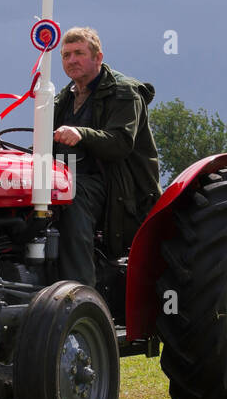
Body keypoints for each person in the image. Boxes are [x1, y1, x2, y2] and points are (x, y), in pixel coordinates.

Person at [51, 27, 161, 287]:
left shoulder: (125, 93)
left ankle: (78, 295)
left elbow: (120, 144)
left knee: (70, 195)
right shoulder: (63, 99)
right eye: (66, 55)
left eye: (79, 53)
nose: (72, 60)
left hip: (119, 187)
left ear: (98, 58)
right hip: (72, 177)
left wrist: (81, 134)